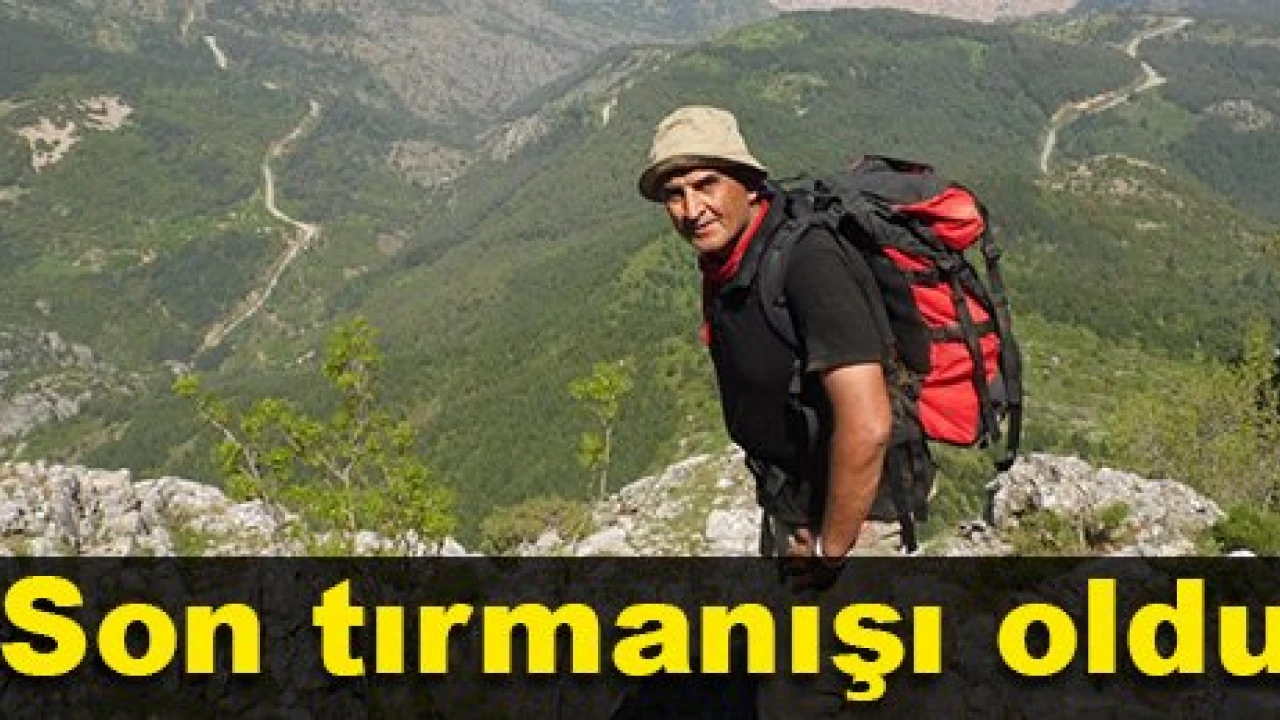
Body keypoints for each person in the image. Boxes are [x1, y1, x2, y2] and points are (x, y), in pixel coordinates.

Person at [637, 105, 907, 564]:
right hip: (793, 503)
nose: (691, 210)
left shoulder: (809, 263)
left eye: (707, 184)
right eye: (674, 195)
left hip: (853, 521)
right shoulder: (735, 259)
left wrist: (829, 550)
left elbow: (868, 425)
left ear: (748, 184)